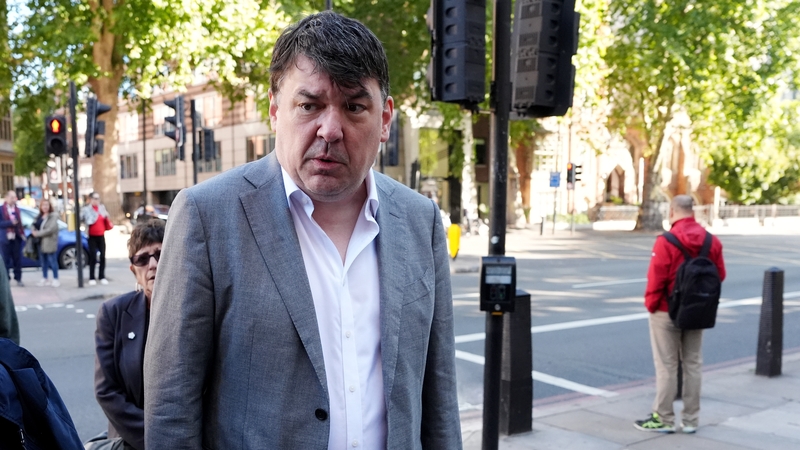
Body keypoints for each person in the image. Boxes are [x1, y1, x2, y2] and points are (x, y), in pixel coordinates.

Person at [144, 11, 461, 449]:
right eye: (309, 105)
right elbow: (171, 409)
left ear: (385, 118)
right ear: (276, 110)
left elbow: (439, 397)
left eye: (354, 106)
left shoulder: (420, 219)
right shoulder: (206, 215)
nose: (330, 130)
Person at [635, 195, 726, 434]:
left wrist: (652, 305)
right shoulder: (712, 241)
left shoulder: (666, 241)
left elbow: (657, 278)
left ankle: (664, 418)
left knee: (667, 366)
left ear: (673, 211)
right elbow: (720, 275)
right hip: (697, 311)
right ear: (692, 211)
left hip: (666, 311)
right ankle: (690, 421)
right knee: (693, 363)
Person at [94, 220, 165, 450]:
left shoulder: (197, 309)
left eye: (161, 254)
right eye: (142, 259)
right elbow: (106, 391)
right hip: (132, 441)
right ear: (133, 270)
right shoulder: (113, 313)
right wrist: (156, 440)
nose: (152, 264)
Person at [81, 192, 113, 286]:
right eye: (94, 198)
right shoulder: (86, 209)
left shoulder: (102, 208)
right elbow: (82, 219)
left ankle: (102, 276)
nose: (96, 200)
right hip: (91, 236)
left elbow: (106, 218)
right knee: (93, 257)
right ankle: (92, 277)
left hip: (101, 235)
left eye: (98, 198)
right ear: (90, 199)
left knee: (103, 256)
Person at [32, 198, 61, 287]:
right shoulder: (39, 216)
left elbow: (50, 229)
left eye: (47, 205)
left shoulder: (53, 216)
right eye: (43, 205)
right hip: (40, 243)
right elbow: (33, 224)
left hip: (49, 242)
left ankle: (56, 278)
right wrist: (33, 230)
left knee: (52, 261)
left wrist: (38, 234)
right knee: (43, 261)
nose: (45, 207)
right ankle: (45, 278)